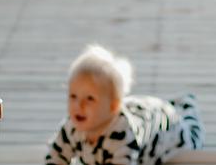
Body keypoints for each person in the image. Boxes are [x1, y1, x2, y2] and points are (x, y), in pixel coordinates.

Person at [45, 45, 202, 165]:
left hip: (168, 129)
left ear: (113, 107)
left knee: (193, 137)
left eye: (90, 99)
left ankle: (187, 105)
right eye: (73, 96)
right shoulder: (71, 126)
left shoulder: (122, 135)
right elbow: (55, 157)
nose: (79, 105)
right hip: (140, 109)